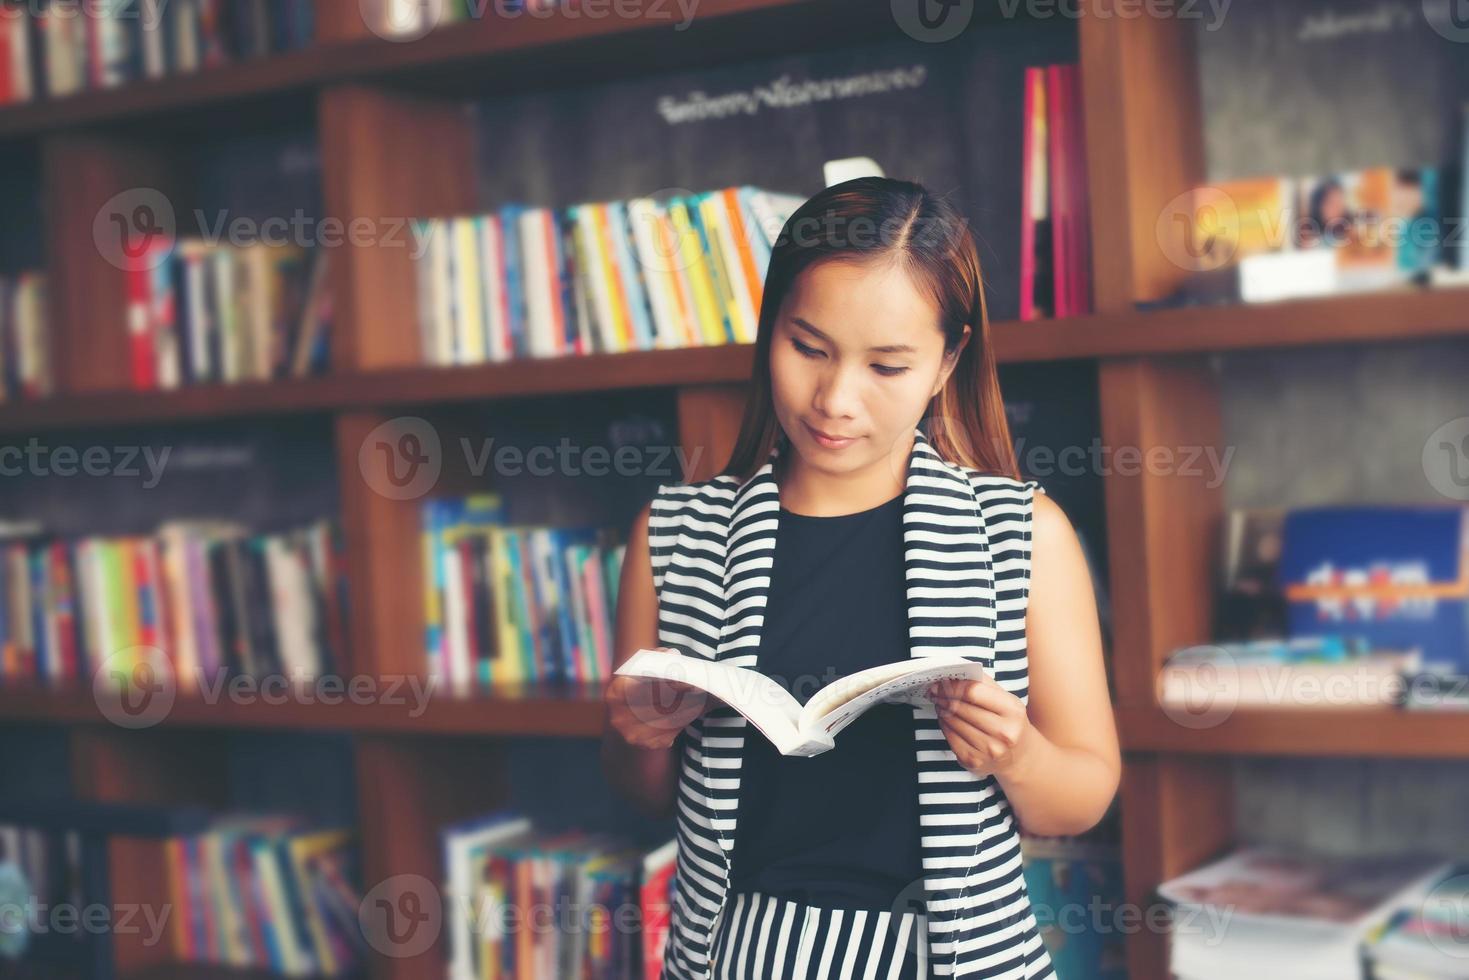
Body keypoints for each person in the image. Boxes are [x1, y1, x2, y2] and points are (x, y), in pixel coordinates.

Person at [602, 176, 1118, 980]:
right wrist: (639, 737)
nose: (835, 399)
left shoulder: (1023, 535)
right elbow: (646, 793)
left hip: (955, 958)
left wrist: (1016, 753)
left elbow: (1083, 795)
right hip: (735, 954)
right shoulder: (674, 534)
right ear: (770, 327)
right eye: (807, 348)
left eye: (886, 365)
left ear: (947, 361)